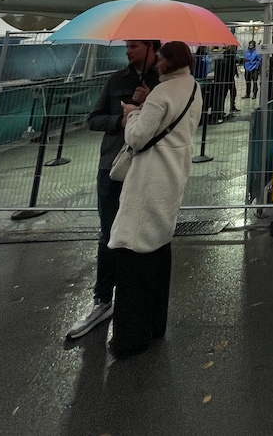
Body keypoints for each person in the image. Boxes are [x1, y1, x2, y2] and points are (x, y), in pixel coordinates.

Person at [107, 40, 202, 358]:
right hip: (174, 174)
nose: (156, 60)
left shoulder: (161, 94)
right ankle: (154, 326)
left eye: (160, 56)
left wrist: (135, 114)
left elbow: (136, 137)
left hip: (149, 179)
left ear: (168, 62)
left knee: (134, 253)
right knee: (159, 247)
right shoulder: (192, 87)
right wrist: (151, 104)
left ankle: (130, 338)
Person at [65, 40, 160, 340]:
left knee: (141, 236)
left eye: (134, 45)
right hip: (112, 168)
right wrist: (121, 119)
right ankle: (102, 299)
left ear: (152, 47)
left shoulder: (162, 84)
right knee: (109, 234)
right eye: (127, 45)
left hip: (145, 169)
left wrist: (149, 103)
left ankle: (136, 300)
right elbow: (93, 119)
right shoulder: (116, 80)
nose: (128, 50)